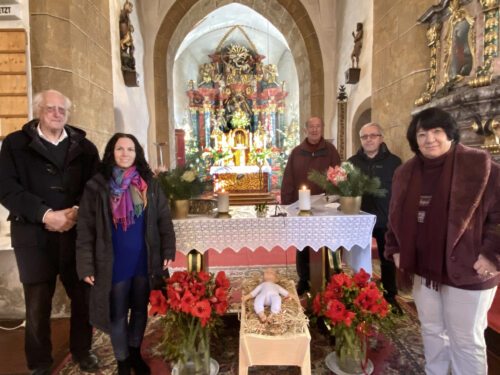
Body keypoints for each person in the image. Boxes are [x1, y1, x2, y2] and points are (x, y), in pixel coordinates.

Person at [385, 107, 499, 374]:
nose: (429, 139)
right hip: (424, 268)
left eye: (437, 132)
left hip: (469, 268)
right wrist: (396, 248)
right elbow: (395, 215)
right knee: (433, 331)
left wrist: (492, 254)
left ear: (450, 134)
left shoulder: (481, 167)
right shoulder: (406, 172)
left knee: (465, 339)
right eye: (422, 134)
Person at [0, 90, 100, 375]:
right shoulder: (15, 144)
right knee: (37, 304)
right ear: (38, 111)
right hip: (34, 235)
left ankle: (83, 351)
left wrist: (77, 211)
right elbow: (6, 188)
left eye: (61, 110)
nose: (56, 113)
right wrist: (46, 214)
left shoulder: (85, 147)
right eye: (50, 108)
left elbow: (95, 185)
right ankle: (40, 363)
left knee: (83, 296)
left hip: (76, 234)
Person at [76, 133, 176, 375]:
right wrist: (86, 266)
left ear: (136, 153)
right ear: (111, 152)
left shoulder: (149, 184)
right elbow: (86, 228)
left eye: (130, 149)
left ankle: (134, 353)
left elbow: (164, 219)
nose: (125, 153)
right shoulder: (97, 186)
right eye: (120, 149)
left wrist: (168, 248)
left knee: (140, 309)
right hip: (113, 261)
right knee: (118, 312)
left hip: (143, 258)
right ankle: (122, 361)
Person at [281, 116, 341, 295]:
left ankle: (331, 277)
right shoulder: (297, 152)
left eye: (318, 126)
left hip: (326, 205)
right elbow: (289, 178)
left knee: (327, 240)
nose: (314, 130)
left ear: (322, 128)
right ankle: (304, 279)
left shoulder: (330, 150)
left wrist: (337, 198)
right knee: (303, 242)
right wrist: (287, 203)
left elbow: (339, 175)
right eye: (311, 127)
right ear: (306, 129)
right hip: (301, 206)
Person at [348, 123, 402, 314]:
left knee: (387, 259)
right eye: (365, 137)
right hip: (359, 220)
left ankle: (390, 296)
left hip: (385, 219)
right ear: (360, 139)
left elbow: (401, 193)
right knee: (357, 258)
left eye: (373, 135)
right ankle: (357, 292)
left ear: (381, 137)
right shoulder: (352, 162)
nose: (369, 139)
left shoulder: (394, 162)